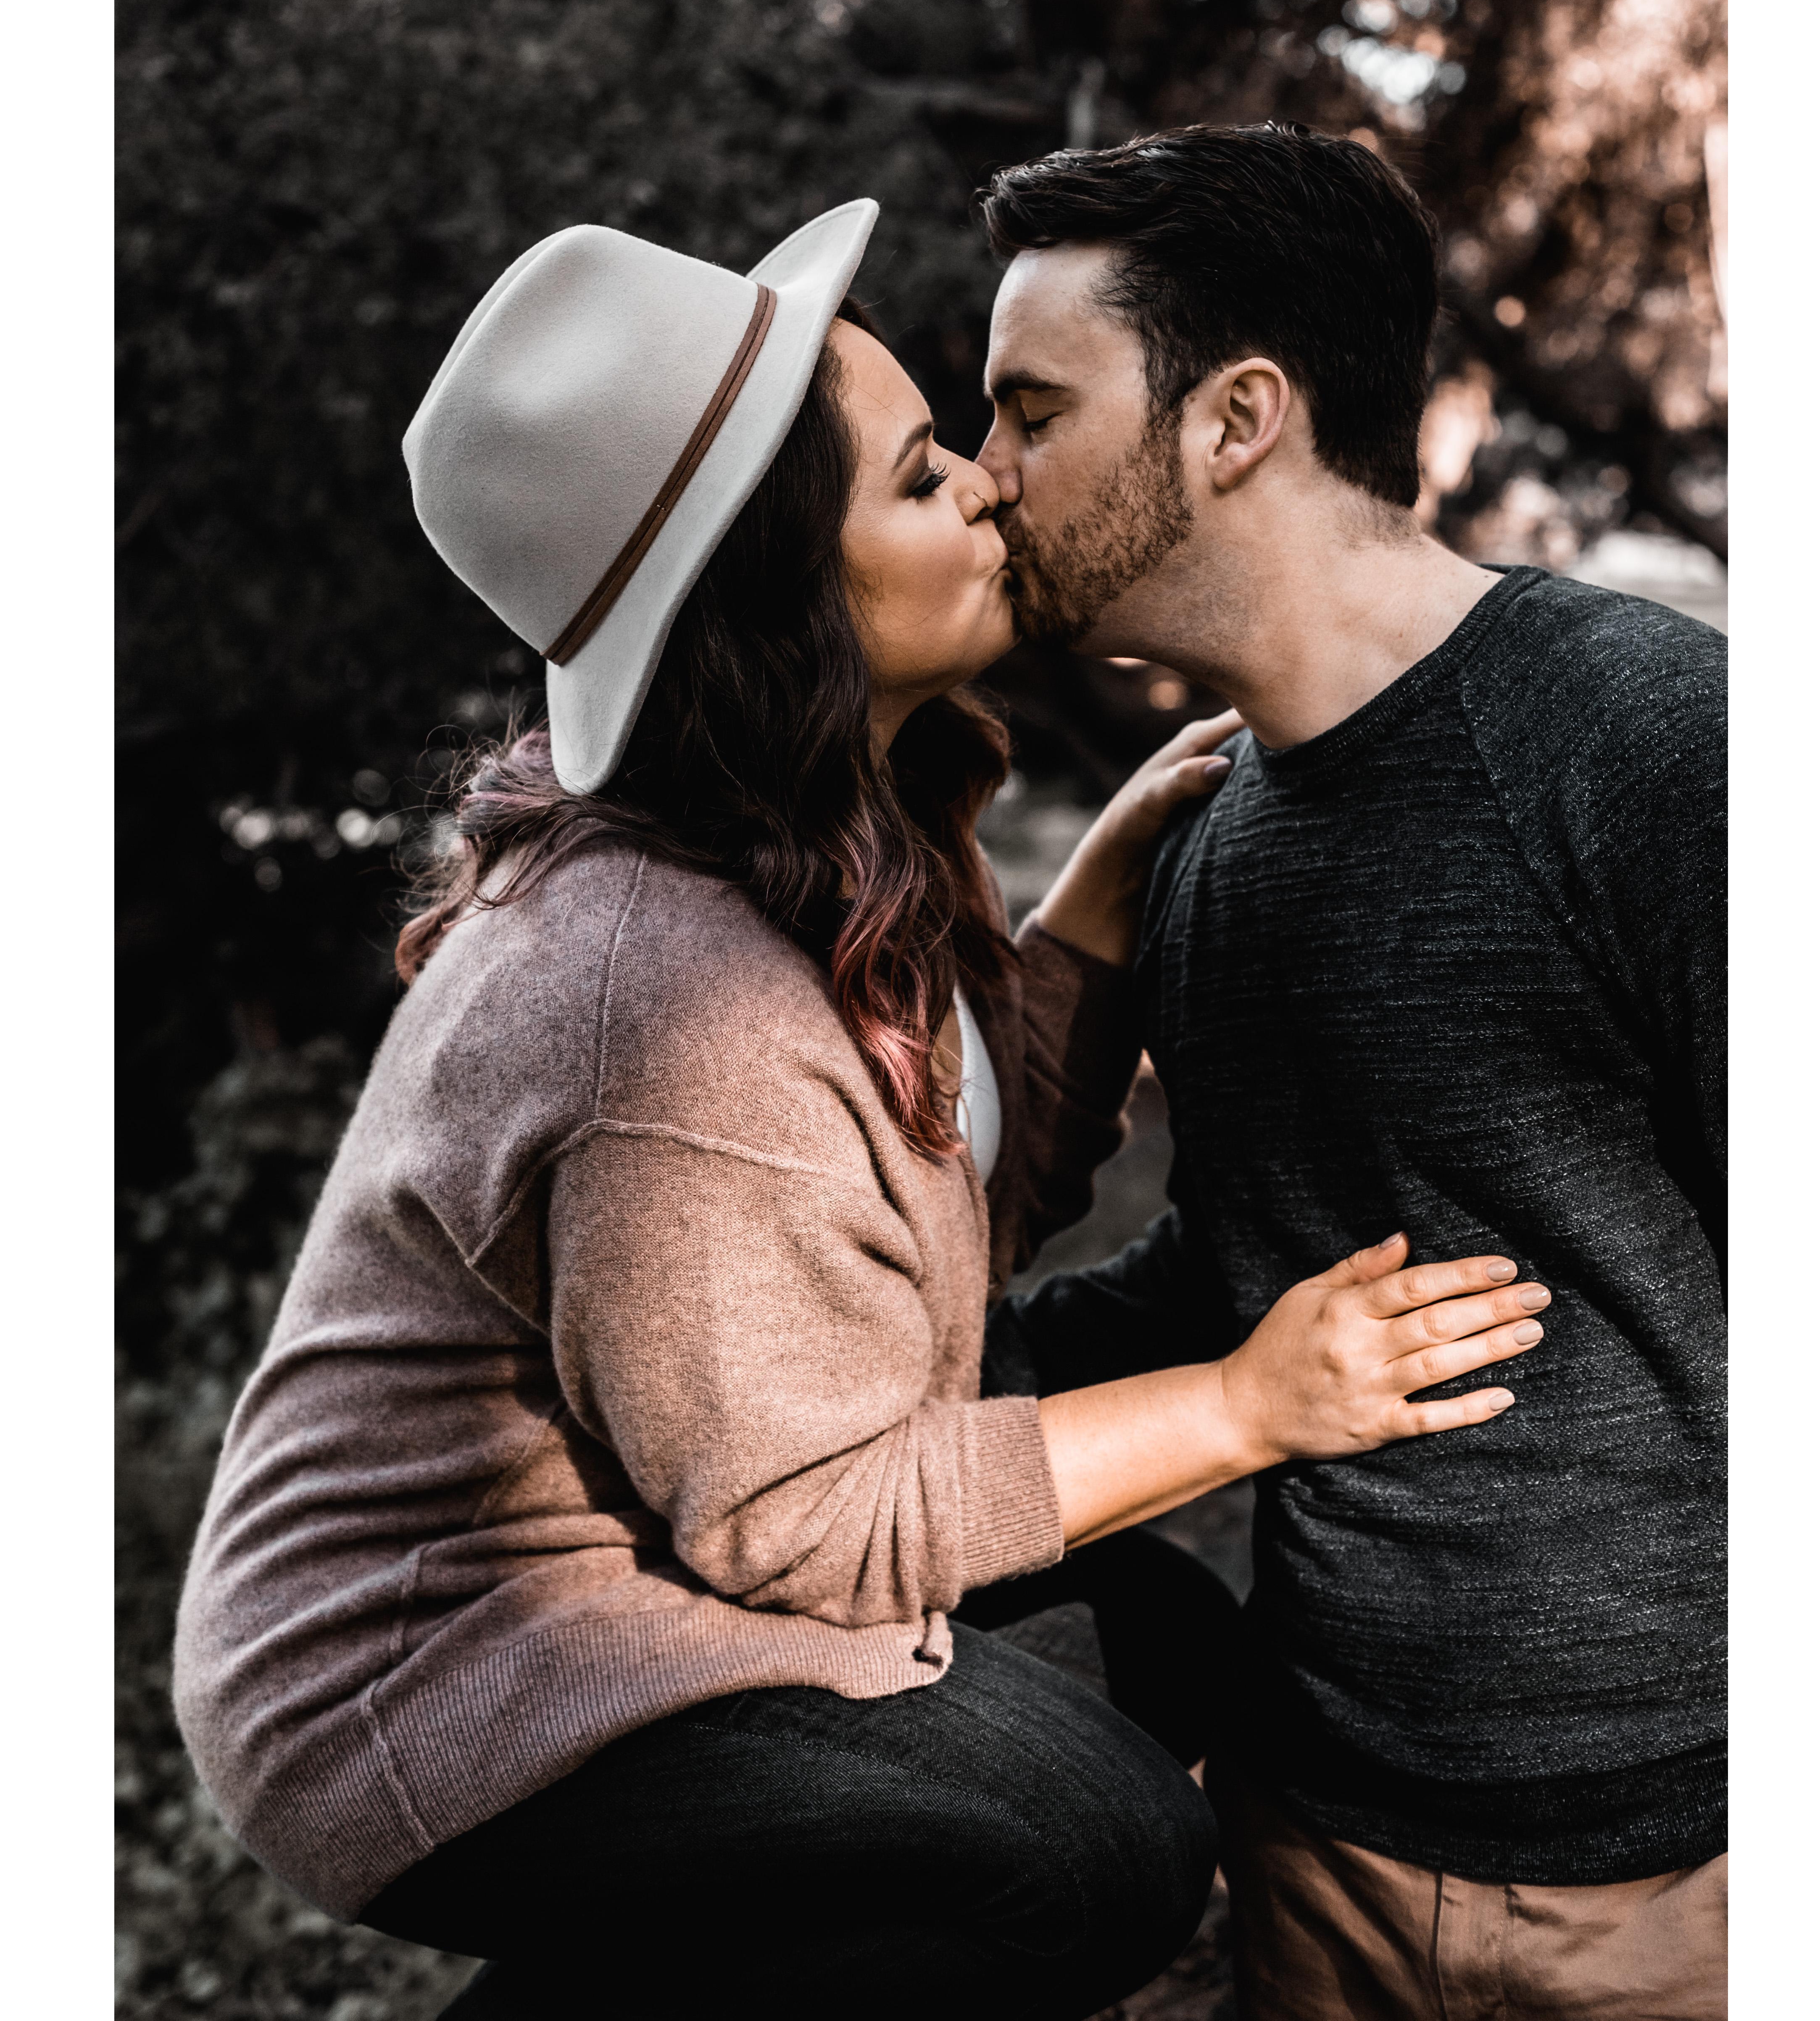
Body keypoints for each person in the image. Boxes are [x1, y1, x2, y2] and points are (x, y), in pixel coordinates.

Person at [170, 201, 1549, 2021]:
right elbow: (808, 1521)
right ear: (787, 599)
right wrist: (1246, 1404)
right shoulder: (669, 995)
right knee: (1094, 1850)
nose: (988, 486)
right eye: (918, 478)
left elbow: (923, 1206)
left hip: (646, 1552)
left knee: (1165, 1641)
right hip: (433, 1670)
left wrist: (1085, 929)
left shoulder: (821, 834)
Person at [972, 125, 1728, 2021]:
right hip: (1318, 1852)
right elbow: (1254, 1261)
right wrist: (861, 1417)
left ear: (1237, 419)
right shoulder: (1214, 838)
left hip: (1683, 1882)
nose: (989, 485)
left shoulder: (1646, 746)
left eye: (1029, 414)